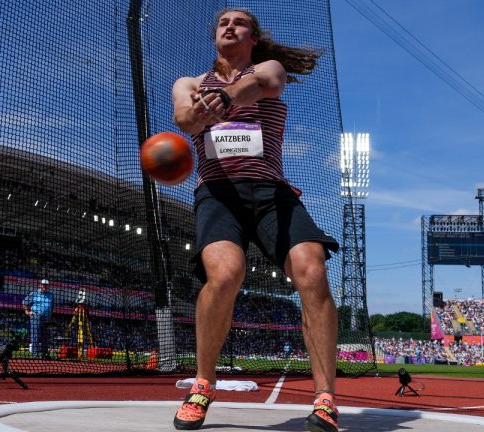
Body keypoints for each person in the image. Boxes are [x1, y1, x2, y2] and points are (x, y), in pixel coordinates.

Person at [171, 9, 340, 432]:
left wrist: (228, 98)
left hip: (271, 192)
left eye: (239, 22)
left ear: (253, 37)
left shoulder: (268, 68)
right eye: (222, 23)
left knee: (312, 268)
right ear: (215, 39)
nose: (229, 26)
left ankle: (324, 400)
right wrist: (199, 114)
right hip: (218, 194)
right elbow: (183, 118)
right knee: (225, 275)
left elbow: (264, 84)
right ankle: (202, 386)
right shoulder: (190, 83)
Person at [22, 279, 53, 359]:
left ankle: (44, 354)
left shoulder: (51, 295)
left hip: (46, 319)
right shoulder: (34, 293)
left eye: (46, 285)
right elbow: (24, 303)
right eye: (43, 284)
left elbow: (51, 307)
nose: (44, 286)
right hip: (36, 317)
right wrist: (28, 312)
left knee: (45, 337)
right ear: (40, 285)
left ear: (48, 286)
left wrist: (49, 317)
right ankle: (35, 355)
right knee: (35, 336)